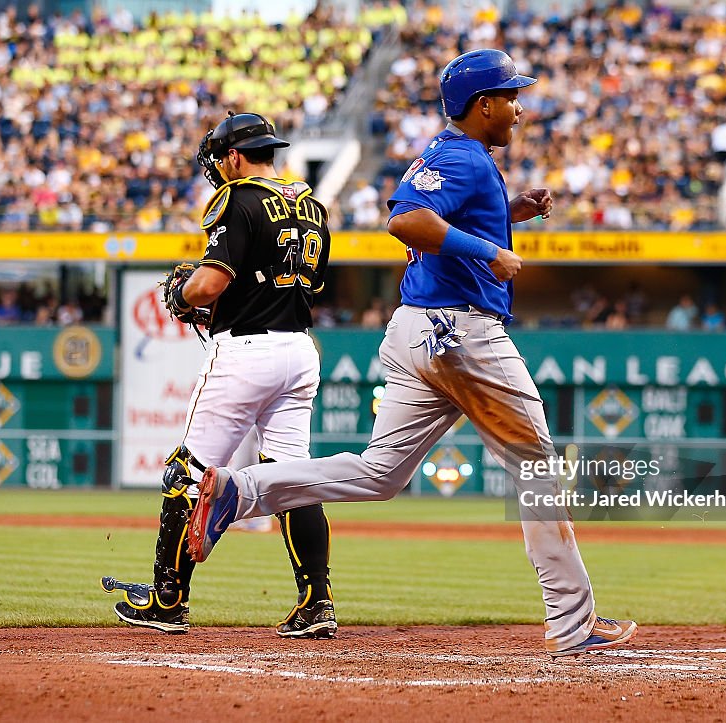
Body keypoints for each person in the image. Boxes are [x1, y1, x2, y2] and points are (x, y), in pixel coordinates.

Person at [186, 50, 638, 659]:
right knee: (536, 468)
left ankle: (241, 489)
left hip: (415, 331)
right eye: (510, 97)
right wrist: (490, 250)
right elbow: (405, 221)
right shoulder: (463, 156)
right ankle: (573, 623)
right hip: (461, 335)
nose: (519, 108)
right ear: (483, 106)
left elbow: (434, 215)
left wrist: (510, 215)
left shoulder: (452, 154)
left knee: (380, 474)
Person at [102, 112, 337, 639]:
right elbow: (302, 285)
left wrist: (179, 296)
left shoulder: (237, 198)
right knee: (292, 478)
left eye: (219, 157)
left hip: (247, 351)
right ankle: (316, 601)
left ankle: (167, 601)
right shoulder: (311, 205)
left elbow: (208, 284)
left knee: (187, 472)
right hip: (300, 349)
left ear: (234, 155)